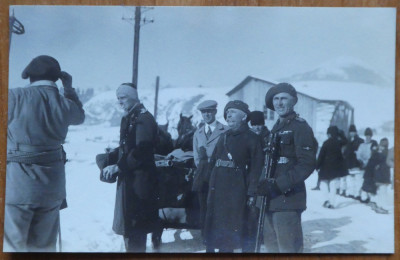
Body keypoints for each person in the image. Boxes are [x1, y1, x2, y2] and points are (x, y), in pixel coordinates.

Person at [4, 55, 85, 252]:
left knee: (13, 248)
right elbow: (80, 116)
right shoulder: (65, 104)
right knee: (43, 249)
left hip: (19, 186)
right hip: (52, 190)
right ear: (57, 78)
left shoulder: (14, 97)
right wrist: (69, 89)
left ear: (29, 76)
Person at [257, 83, 317, 253]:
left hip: (287, 198)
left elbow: (306, 164)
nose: (279, 103)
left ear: (294, 101)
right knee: (272, 248)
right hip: (270, 199)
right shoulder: (276, 128)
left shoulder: (300, 127)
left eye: (284, 98)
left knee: (288, 250)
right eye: (276, 99)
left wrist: (278, 184)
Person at [100, 83, 159, 252]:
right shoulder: (130, 117)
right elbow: (129, 147)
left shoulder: (143, 119)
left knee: (136, 228)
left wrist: (118, 167)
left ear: (134, 97)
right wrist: (114, 155)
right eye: (118, 99)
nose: (120, 102)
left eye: (123, 98)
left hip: (140, 183)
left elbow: (142, 151)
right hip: (130, 180)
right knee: (129, 226)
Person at [204, 100, 263, 253]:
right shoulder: (224, 137)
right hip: (217, 187)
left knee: (233, 229)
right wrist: (208, 182)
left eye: (233, 112)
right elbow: (213, 162)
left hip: (236, 189)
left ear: (244, 117)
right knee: (217, 228)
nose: (228, 115)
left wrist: (251, 192)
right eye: (227, 112)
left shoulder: (252, 138)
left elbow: (256, 168)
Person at [192, 100, 228, 251]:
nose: (206, 115)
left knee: (219, 211)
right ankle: (208, 244)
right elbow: (196, 158)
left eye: (209, 112)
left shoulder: (224, 131)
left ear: (215, 112)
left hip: (220, 178)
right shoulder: (198, 133)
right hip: (203, 178)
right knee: (204, 211)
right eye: (204, 112)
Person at [316, 126, 348, 209]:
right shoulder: (339, 142)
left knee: (324, 183)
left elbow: (321, 155)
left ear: (329, 134)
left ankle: (326, 200)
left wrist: (317, 165)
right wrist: (340, 134)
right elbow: (346, 141)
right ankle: (332, 203)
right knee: (333, 185)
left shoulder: (326, 143)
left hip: (326, 167)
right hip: (336, 167)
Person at [341, 124, 364, 198]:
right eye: (351, 132)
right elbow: (346, 151)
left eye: (353, 132)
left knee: (358, 179)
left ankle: (357, 194)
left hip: (356, 163)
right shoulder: (347, 141)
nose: (352, 133)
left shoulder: (360, 141)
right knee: (351, 179)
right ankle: (352, 193)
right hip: (350, 163)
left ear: (356, 132)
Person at [356, 127, 378, 202]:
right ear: (365, 136)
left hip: (370, 166)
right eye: (367, 136)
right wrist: (361, 162)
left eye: (369, 136)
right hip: (363, 166)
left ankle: (369, 197)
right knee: (361, 181)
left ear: (371, 136)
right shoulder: (362, 145)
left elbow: (374, 154)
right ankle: (361, 195)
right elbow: (358, 155)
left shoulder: (373, 144)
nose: (368, 137)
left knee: (369, 181)